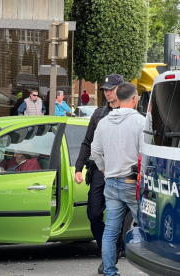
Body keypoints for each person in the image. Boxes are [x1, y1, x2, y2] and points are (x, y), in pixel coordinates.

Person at [91, 82, 144, 276]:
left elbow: (95, 151)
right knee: (145, 227)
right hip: (132, 183)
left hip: (111, 182)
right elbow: (144, 154)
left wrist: (104, 170)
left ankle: (110, 271)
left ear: (118, 98)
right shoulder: (140, 122)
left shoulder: (104, 122)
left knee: (110, 230)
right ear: (134, 98)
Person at [74, 73, 124, 274]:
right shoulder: (98, 114)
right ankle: (110, 250)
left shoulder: (130, 114)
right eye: (105, 90)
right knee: (93, 214)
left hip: (121, 173)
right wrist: (78, 167)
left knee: (118, 218)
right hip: (98, 171)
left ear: (121, 89)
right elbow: (87, 143)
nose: (108, 93)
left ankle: (109, 256)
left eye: (111, 89)